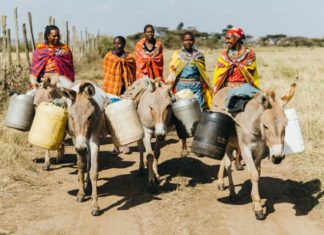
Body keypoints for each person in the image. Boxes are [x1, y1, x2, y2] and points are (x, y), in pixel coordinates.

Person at [213, 26, 259, 170]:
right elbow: (219, 70)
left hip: (245, 89)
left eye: (229, 38)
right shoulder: (223, 55)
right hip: (227, 89)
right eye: (226, 37)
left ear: (238, 38)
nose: (226, 40)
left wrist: (238, 65)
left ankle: (250, 151)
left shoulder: (250, 54)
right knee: (219, 117)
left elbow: (251, 70)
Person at [169, 31, 213, 157]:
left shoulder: (199, 55)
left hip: (196, 87)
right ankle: (183, 146)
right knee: (182, 117)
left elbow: (203, 73)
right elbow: (172, 72)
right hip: (181, 86)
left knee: (199, 115)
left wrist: (207, 87)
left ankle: (197, 144)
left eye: (190, 40)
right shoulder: (177, 55)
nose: (188, 42)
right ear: (182, 41)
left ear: (193, 41)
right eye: (186, 40)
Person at [102, 36, 136, 155]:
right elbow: (107, 74)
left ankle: (125, 144)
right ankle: (116, 145)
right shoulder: (108, 57)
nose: (117, 45)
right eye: (115, 43)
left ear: (124, 44)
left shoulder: (129, 58)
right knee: (113, 119)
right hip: (111, 91)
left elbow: (132, 73)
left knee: (125, 117)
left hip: (125, 91)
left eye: (119, 43)